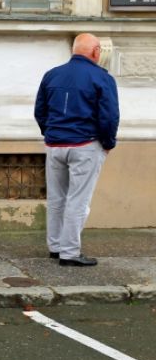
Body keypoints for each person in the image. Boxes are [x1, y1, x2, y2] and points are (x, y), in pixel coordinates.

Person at [34, 33, 119, 267]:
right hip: (85, 144)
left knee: (56, 198)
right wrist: (108, 143)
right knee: (78, 200)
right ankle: (70, 252)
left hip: (55, 145)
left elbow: (40, 111)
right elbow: (109, 117)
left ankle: (55, 246)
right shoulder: (102, 77)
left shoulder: (52, 75)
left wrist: (51, 133)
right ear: (96, 51)